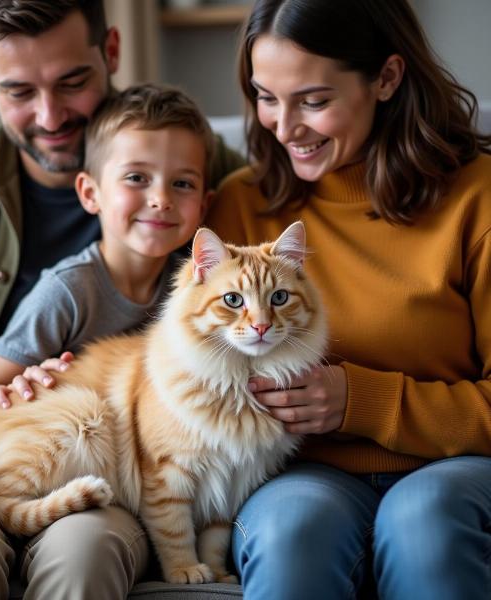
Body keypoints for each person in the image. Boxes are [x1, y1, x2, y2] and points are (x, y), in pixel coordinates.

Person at [0, 1, 243, 598]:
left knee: (85, 556)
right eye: (19, 90)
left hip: (112, 469)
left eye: (72, 83)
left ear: (110, 53)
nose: (50, 116)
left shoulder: (203, 170)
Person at [204, 0, 491, 598]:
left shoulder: (477, 199)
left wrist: (361, 401)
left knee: (425, 522)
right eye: (265, 96)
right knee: (290, 532)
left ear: (387, 78)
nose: (283, 128)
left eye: (313, 101)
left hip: (451, 469)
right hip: (302, 474)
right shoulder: (239, 207)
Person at [0, 83, 212, 417]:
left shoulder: (196, 288)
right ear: (90, 193)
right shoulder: (66, 290)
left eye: (182, 183)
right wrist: (22, 388)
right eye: (137, 177)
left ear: (204, 206)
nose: (161, 200)